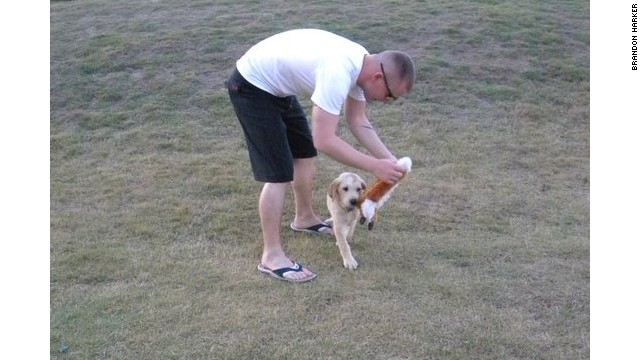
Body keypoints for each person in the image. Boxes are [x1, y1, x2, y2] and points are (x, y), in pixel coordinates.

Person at [227, 28, 415, 283]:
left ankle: (304, 218)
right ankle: (271, 256)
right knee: (279, 172)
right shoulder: (338, 71)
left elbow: (357, 120)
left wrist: (391, 162)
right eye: (390, 95)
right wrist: (375, 166)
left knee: (304, 152)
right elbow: (325, 139)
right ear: (378, 77)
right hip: (252, 86)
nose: (387, 100)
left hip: (276, 89)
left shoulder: (362, 66)